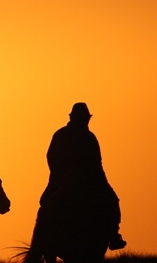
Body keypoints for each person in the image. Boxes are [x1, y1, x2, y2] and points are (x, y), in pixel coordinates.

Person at [39, 102, 127, 250]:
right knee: (112, 201)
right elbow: (97, 164)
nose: (86, 121)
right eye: (84, 118)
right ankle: (113, 235)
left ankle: (40, 241)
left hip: (61, 181)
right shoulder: (87, 137)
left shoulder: (61, 135)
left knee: (46, 202)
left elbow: (51, 158)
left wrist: (58, 177)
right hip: (80, 182)